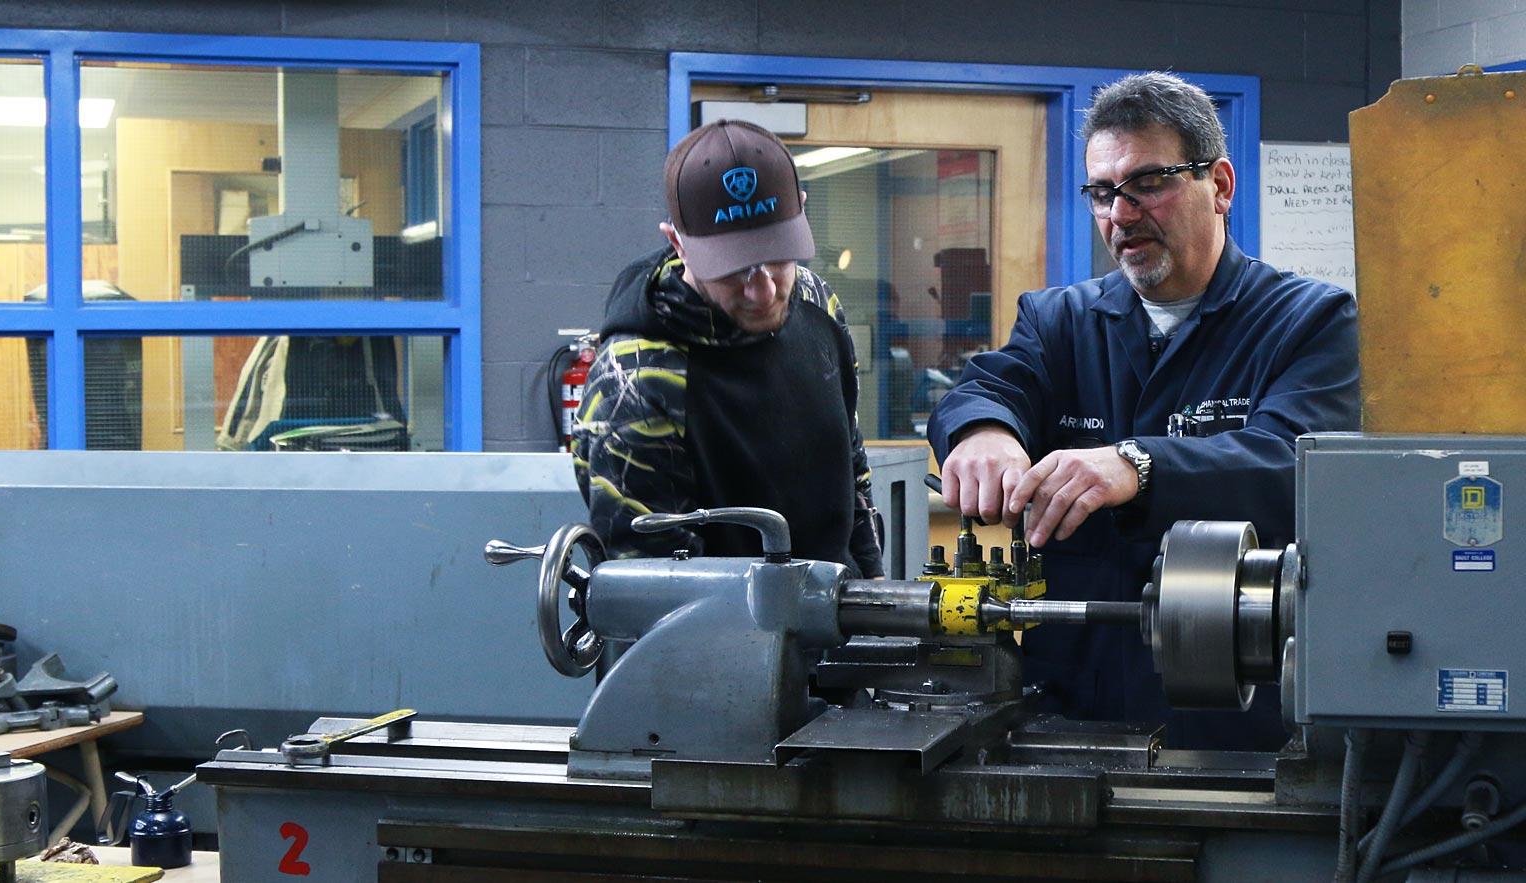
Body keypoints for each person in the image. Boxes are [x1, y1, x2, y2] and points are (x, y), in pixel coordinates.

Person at [928, 72, 1360, 750]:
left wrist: (1138, 463)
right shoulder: (1060, 320)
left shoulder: (1308, 320)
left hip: (1232, 719)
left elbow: (1295, 460)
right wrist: (983, 429)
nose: (1120, 215)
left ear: (1219, 186)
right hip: (1066, 714)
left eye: (1148, 184)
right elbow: (993, 385)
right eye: (1102, 192)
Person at [573, 119, 883, 578]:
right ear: (677, 242)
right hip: (715, 636)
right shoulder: (637, 379)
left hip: (838, 616)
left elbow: (849, 463)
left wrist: (874, 589)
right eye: (733, 268)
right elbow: (654, 585)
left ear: (801, 212)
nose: (763, 291)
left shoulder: (817, 302)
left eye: (778, 257)